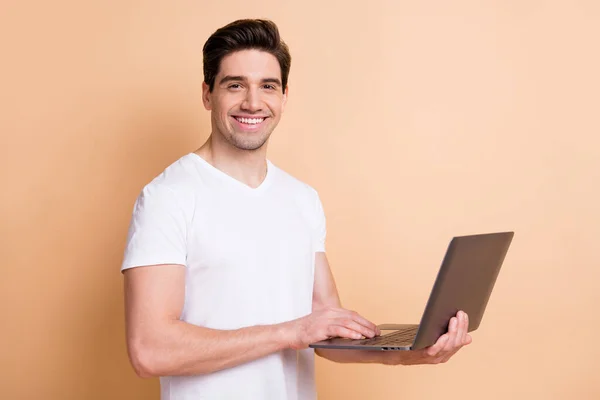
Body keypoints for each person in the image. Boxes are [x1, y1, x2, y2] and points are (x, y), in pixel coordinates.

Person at [121, 18, 472, 400]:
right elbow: (150, 350)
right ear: (207, 94)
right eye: (235, 85)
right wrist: (290, 332)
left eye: (267, 86)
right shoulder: (168, 197)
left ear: (284, 96)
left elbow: (325, 331)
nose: (253, 102)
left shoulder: (301, 199)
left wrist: (410, 353)